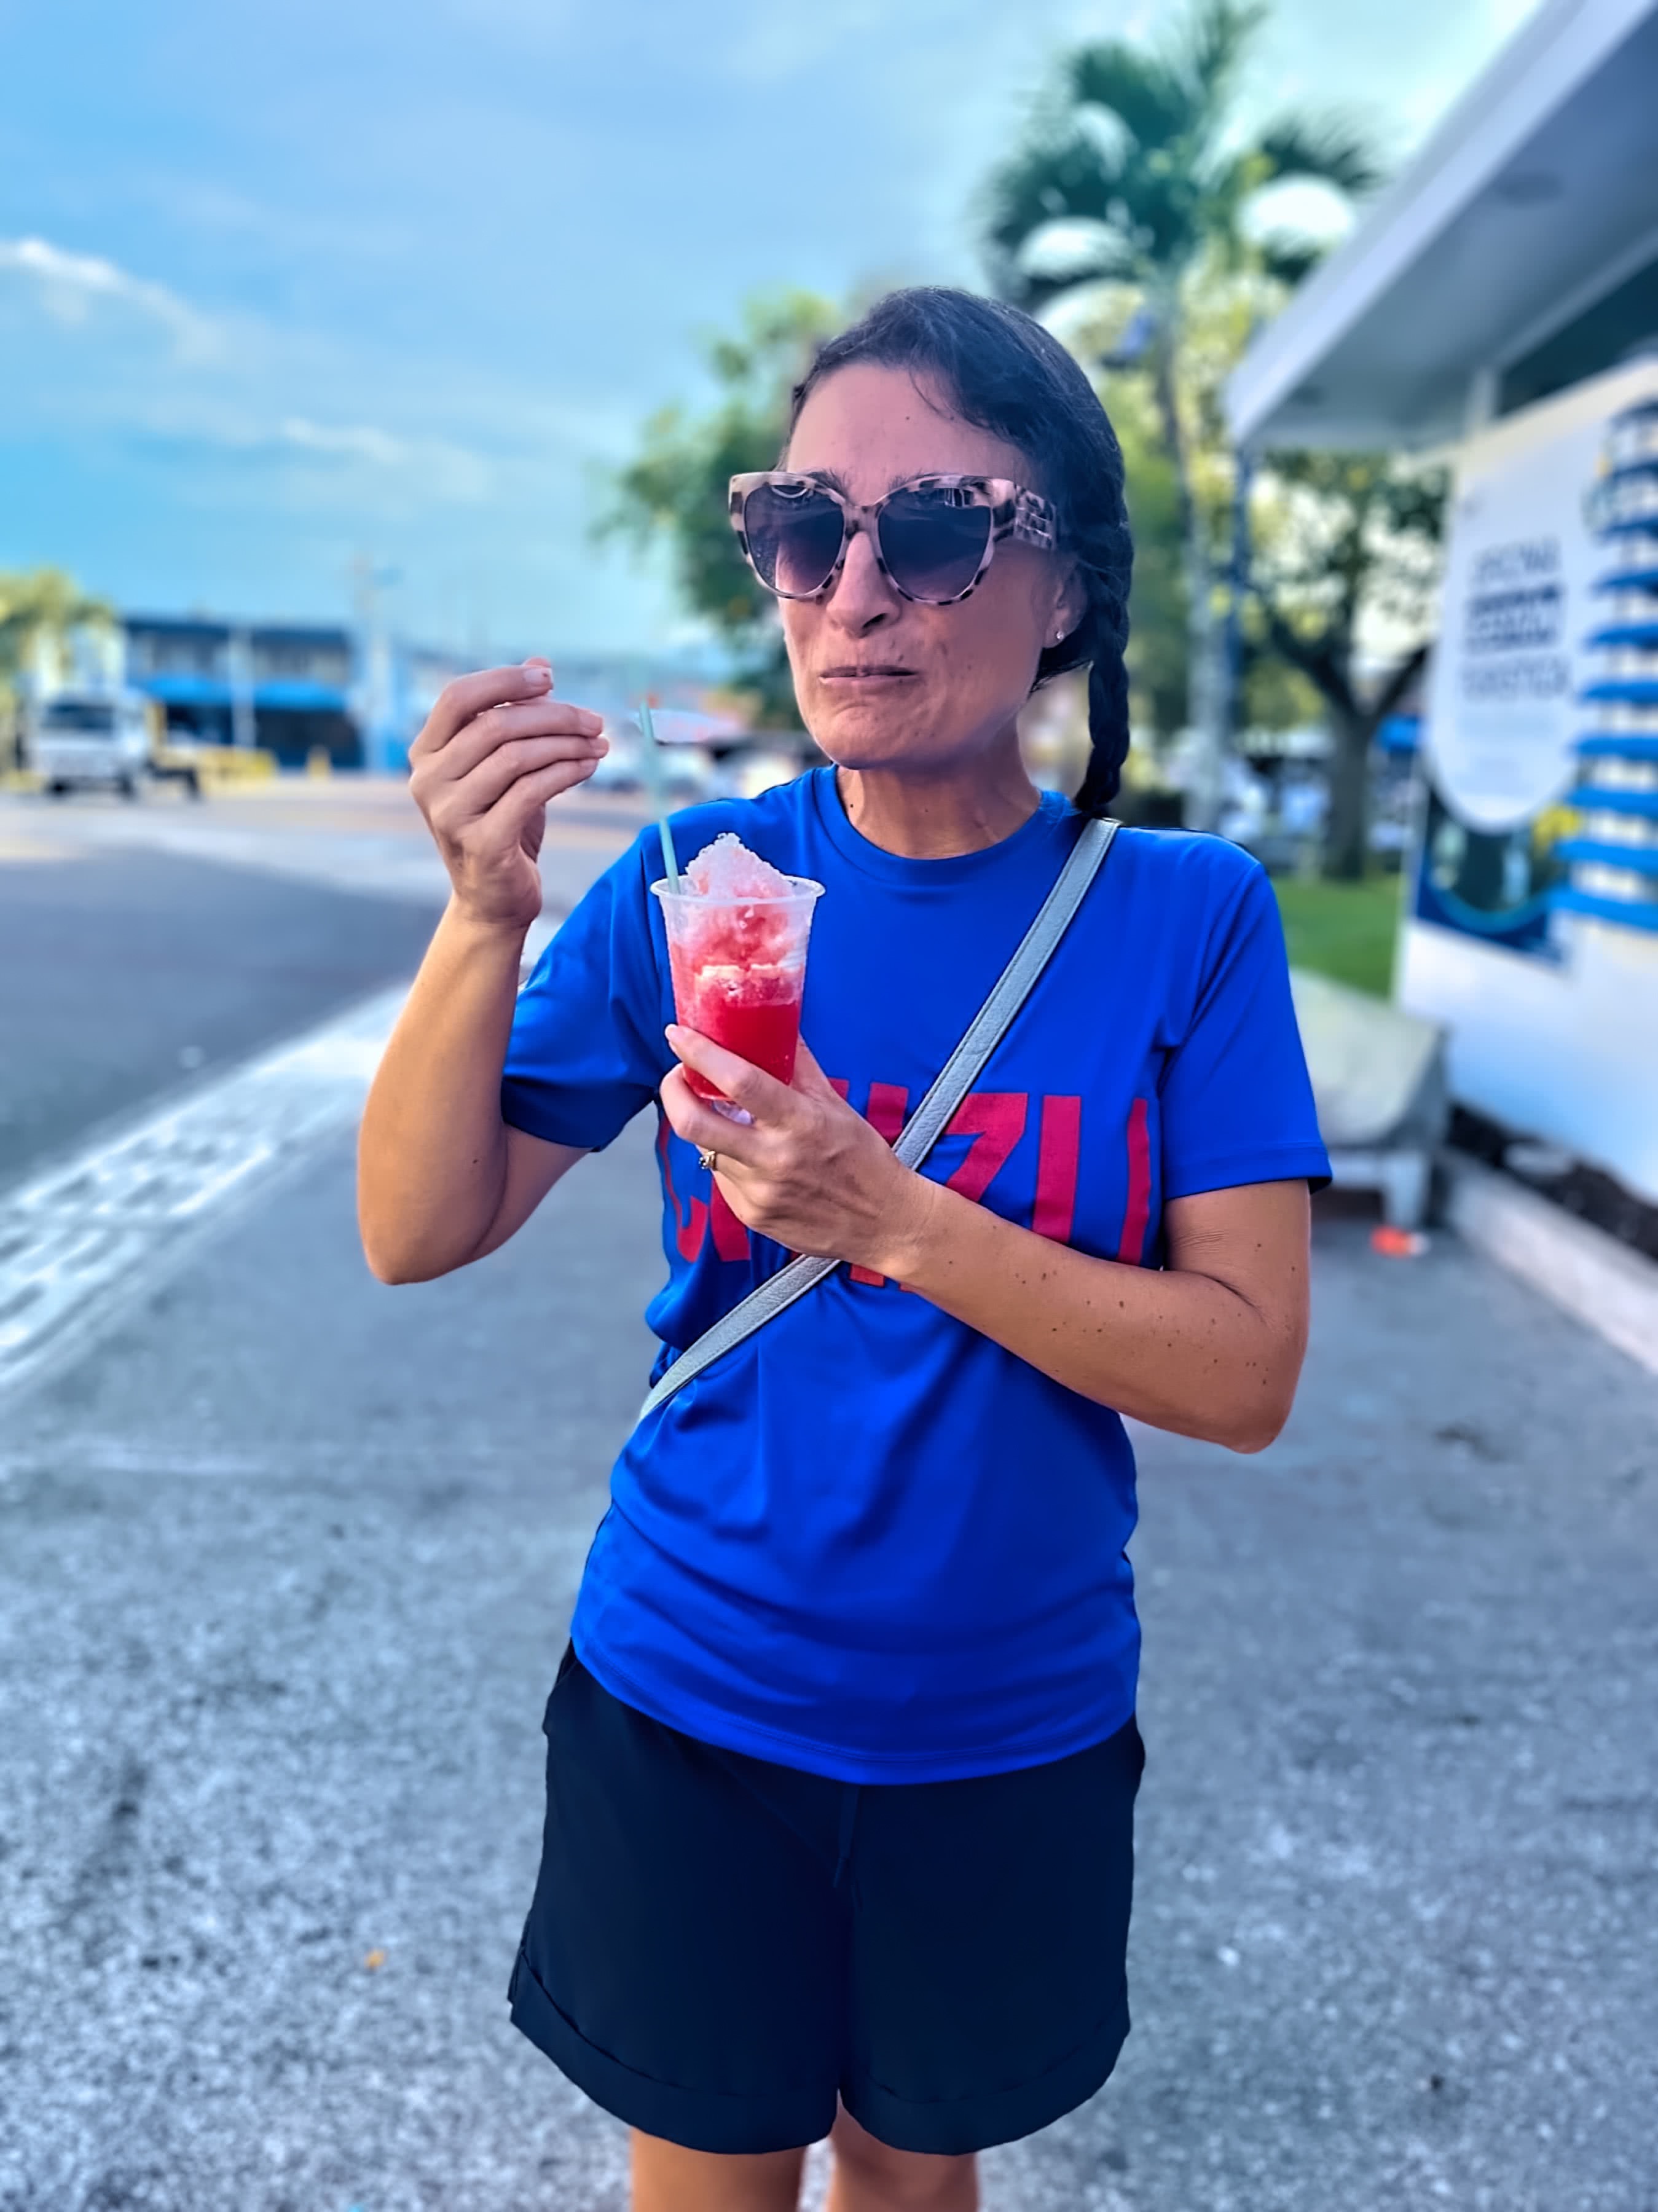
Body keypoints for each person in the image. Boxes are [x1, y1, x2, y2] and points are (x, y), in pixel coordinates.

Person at [358, 286, 1330, 2212]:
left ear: (1058, 589)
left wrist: (886, 1213)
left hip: (1008, 1722)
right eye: (805, 528)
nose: (853, 589)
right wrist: (481, 917)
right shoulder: (696, 884)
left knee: (911, 2176)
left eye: (938, 529)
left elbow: (1242, 1374)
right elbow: (417, 1226)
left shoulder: (1183, 919)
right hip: (693, 1688)